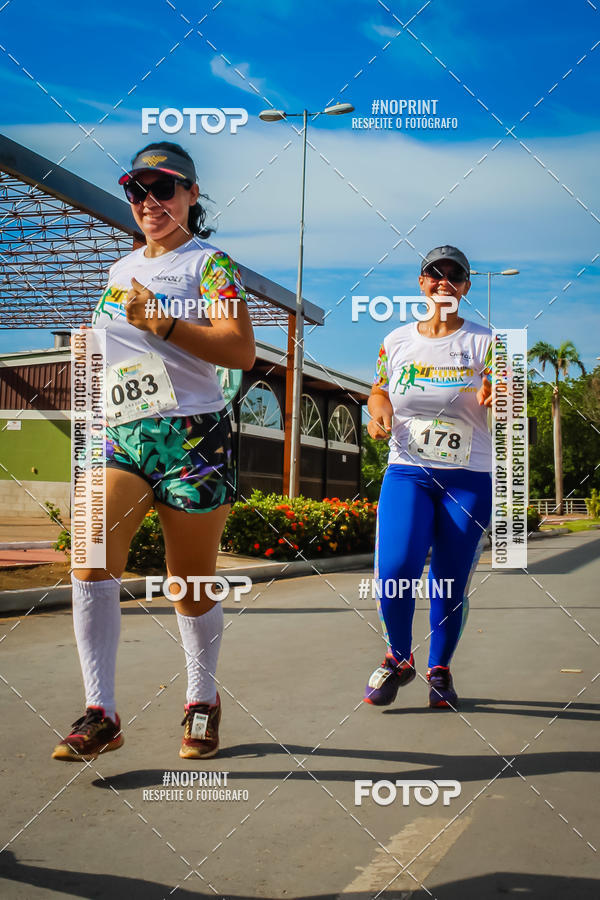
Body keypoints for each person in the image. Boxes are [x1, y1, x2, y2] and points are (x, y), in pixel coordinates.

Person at [52, 141, 255, 762]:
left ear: (192, 196)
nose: (149, 202)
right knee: (90, 555)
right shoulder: (117, 271)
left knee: (188, 584)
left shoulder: (211, 266)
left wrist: (162, 321)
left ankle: (201, 698)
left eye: (163, 189)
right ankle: (101, 712)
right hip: (124, 433)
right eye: (137, 191)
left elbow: (240, 351)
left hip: (194, 440)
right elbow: (106, 353)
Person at [364, 245, 493, 710]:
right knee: (395, 569)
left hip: (468, 476)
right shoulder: (396, 341)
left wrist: (498, 390)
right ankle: (399, 658)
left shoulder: (486, 342)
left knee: (449, 579)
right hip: (408, 470)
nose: (443, 282)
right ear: (421, 283)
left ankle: (440, 669)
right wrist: (378, 416)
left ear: (466, 286)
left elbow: (511, 390)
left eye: (453, 275)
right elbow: (378, 391)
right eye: (434, 274)